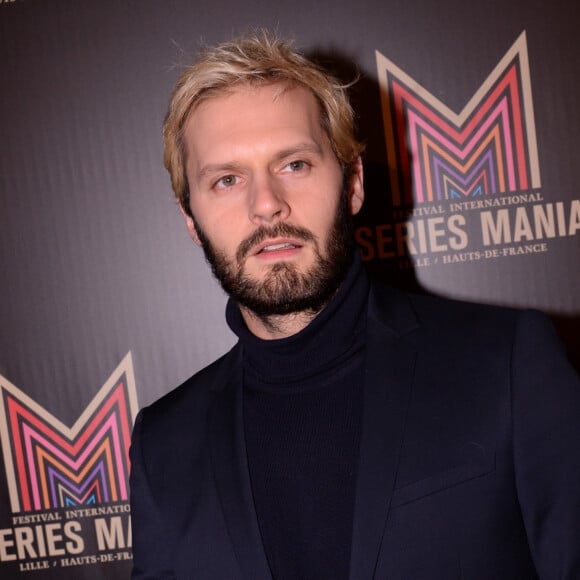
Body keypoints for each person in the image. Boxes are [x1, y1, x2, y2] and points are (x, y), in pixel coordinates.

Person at [129, 31, 580, 579]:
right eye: (226, 179)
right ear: (190, 221)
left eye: (294, 164)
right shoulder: (165, 443)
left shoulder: (506, 363)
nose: (267, 203)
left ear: (353, 183)